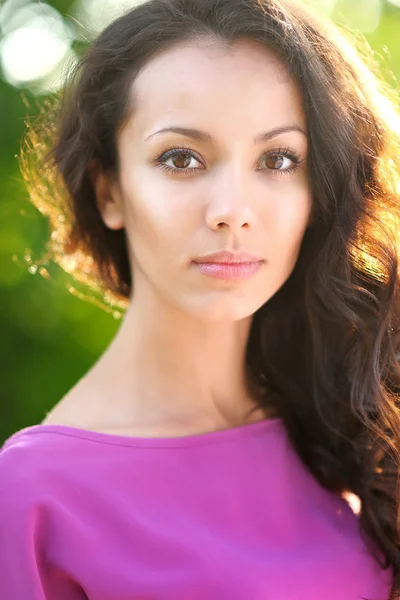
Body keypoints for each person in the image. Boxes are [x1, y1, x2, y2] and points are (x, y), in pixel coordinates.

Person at [1, 0, 400, 597]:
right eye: (181, 159)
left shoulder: (356, 422)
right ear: (108, 189)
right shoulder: (31, 496)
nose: (232, 211)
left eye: (278, 159)